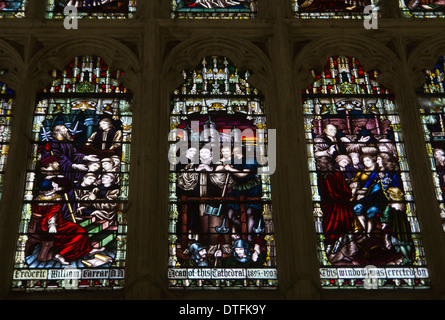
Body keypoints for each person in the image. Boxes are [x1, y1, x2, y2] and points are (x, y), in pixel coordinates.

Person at [29, 179, 103, 265]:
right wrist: (52, 225)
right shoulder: (56, 198)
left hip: (36, 225)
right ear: (51, 189)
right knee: (80, 232)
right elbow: (53, 214)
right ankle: (61, 254)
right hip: (54, 226)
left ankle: (88, 251)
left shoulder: (37, 198)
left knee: (79, 230)